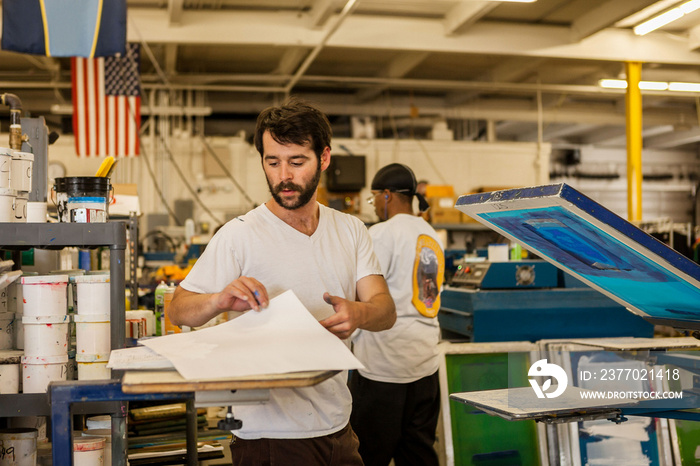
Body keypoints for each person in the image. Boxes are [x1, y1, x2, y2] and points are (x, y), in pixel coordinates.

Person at [168, 98, 397, 466]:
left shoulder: (351, 230)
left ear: (323, 158)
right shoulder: (239, 234)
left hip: (339, 428)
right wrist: (218, 301)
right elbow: (179, 309)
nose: (283, 176)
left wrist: (360, 313)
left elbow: (385, 310)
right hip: (268, 437)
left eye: (297, 162)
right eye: (272, 162)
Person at [350, 163, 445, 466]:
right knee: (418, 454)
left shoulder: (381, 234)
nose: (375, 204)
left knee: (365, 456)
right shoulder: (431, 235)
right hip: (426, 366)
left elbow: (362, 294)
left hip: (383, 368)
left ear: (387, 195)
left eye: (374, 197)